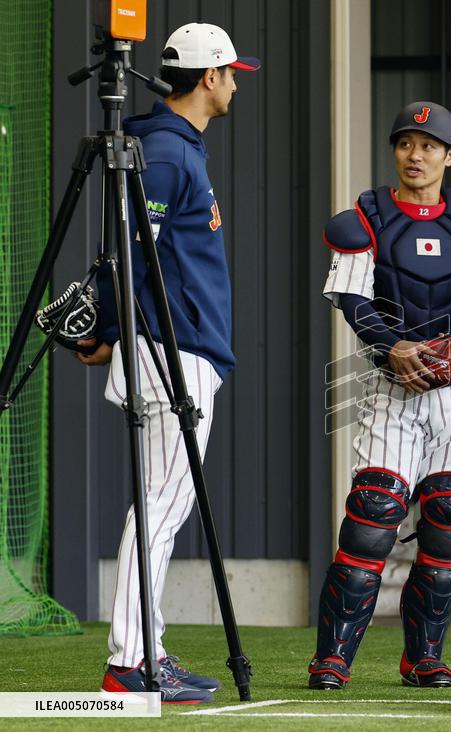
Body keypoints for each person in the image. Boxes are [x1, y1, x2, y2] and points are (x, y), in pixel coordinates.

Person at [310, 101, 451, 691]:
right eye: (407, 143)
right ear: (395, 151)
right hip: (391, 386)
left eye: (429, 145)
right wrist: (391, 350)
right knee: (373, 518)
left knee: (450, 519)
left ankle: (423, 658)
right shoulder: (368, 215)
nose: (416, 155)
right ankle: (332, 659)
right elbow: (353, 300)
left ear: (449, 156)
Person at [77, 23, 260, 704]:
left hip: (172, 346)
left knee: (162, 503)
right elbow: (130, 251)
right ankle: (131, 662)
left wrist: (109, 326)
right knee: (160, 504)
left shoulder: (173, 148)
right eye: (232, 72)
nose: (237, 83)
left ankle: (143, 650)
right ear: (209, 77)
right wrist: (107, 323)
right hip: (170, 351)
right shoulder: (170, 153)